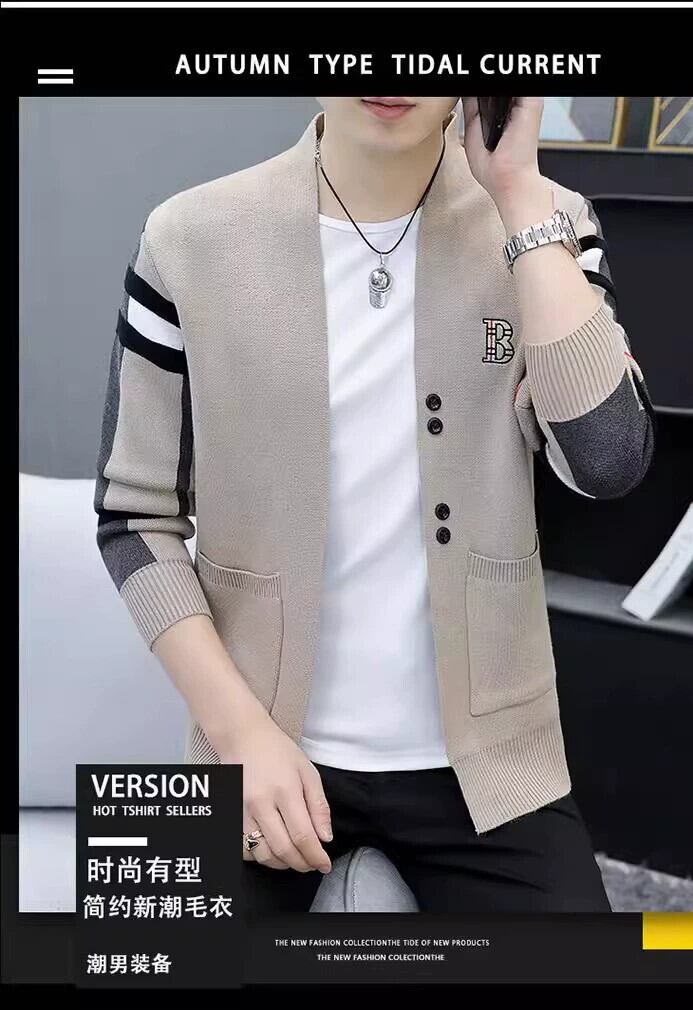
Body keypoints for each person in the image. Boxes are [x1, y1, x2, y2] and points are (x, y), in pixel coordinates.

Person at [94, 97, 655, 913]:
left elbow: (608, 462)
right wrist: (239, 737)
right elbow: (132, 519)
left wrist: (517, 195)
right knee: (133, 952)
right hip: (260, 754)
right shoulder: (186, 238)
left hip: (495, 766)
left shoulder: (551, 220)